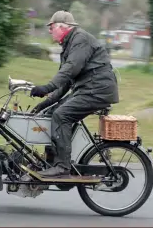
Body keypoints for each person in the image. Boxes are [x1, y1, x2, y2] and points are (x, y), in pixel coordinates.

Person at [30, 10, 119, 177]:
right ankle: (51, 161)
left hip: (97, 91)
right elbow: (65, 82)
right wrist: (45, 103)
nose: (50, 31)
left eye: (52, 27)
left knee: (61, 115)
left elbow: (70, 70)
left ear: (63, 27)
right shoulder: (69, 44)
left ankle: (62, 167)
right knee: (49, 114)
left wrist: (47, 87)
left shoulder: (80, 39)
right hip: (88, 89)